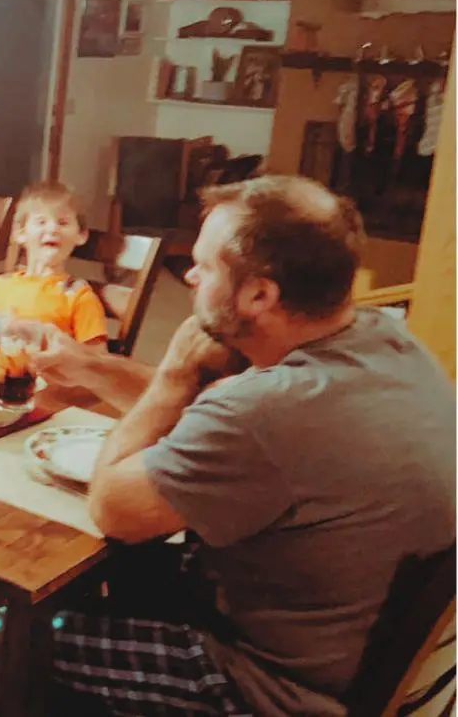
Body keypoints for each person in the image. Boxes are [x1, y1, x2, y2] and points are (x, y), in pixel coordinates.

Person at [31, 175, 455, 716]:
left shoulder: (271, 410)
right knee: (108, 579)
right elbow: (215, 421)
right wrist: (92, 366)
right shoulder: (385, 340)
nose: (187, 275)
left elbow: (111, 506)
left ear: (260, 294)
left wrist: (172, 376)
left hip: (274, 687)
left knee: (27, 629)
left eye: (205, 266)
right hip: (359, 653)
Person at [0, 181, 107, 345]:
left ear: (81, 235)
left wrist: (51, 340)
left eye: (63, 223)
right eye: (41, 222)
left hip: (46, 370)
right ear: (20, 233)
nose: (52, 229)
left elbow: (96, 362)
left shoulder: (79, 298)